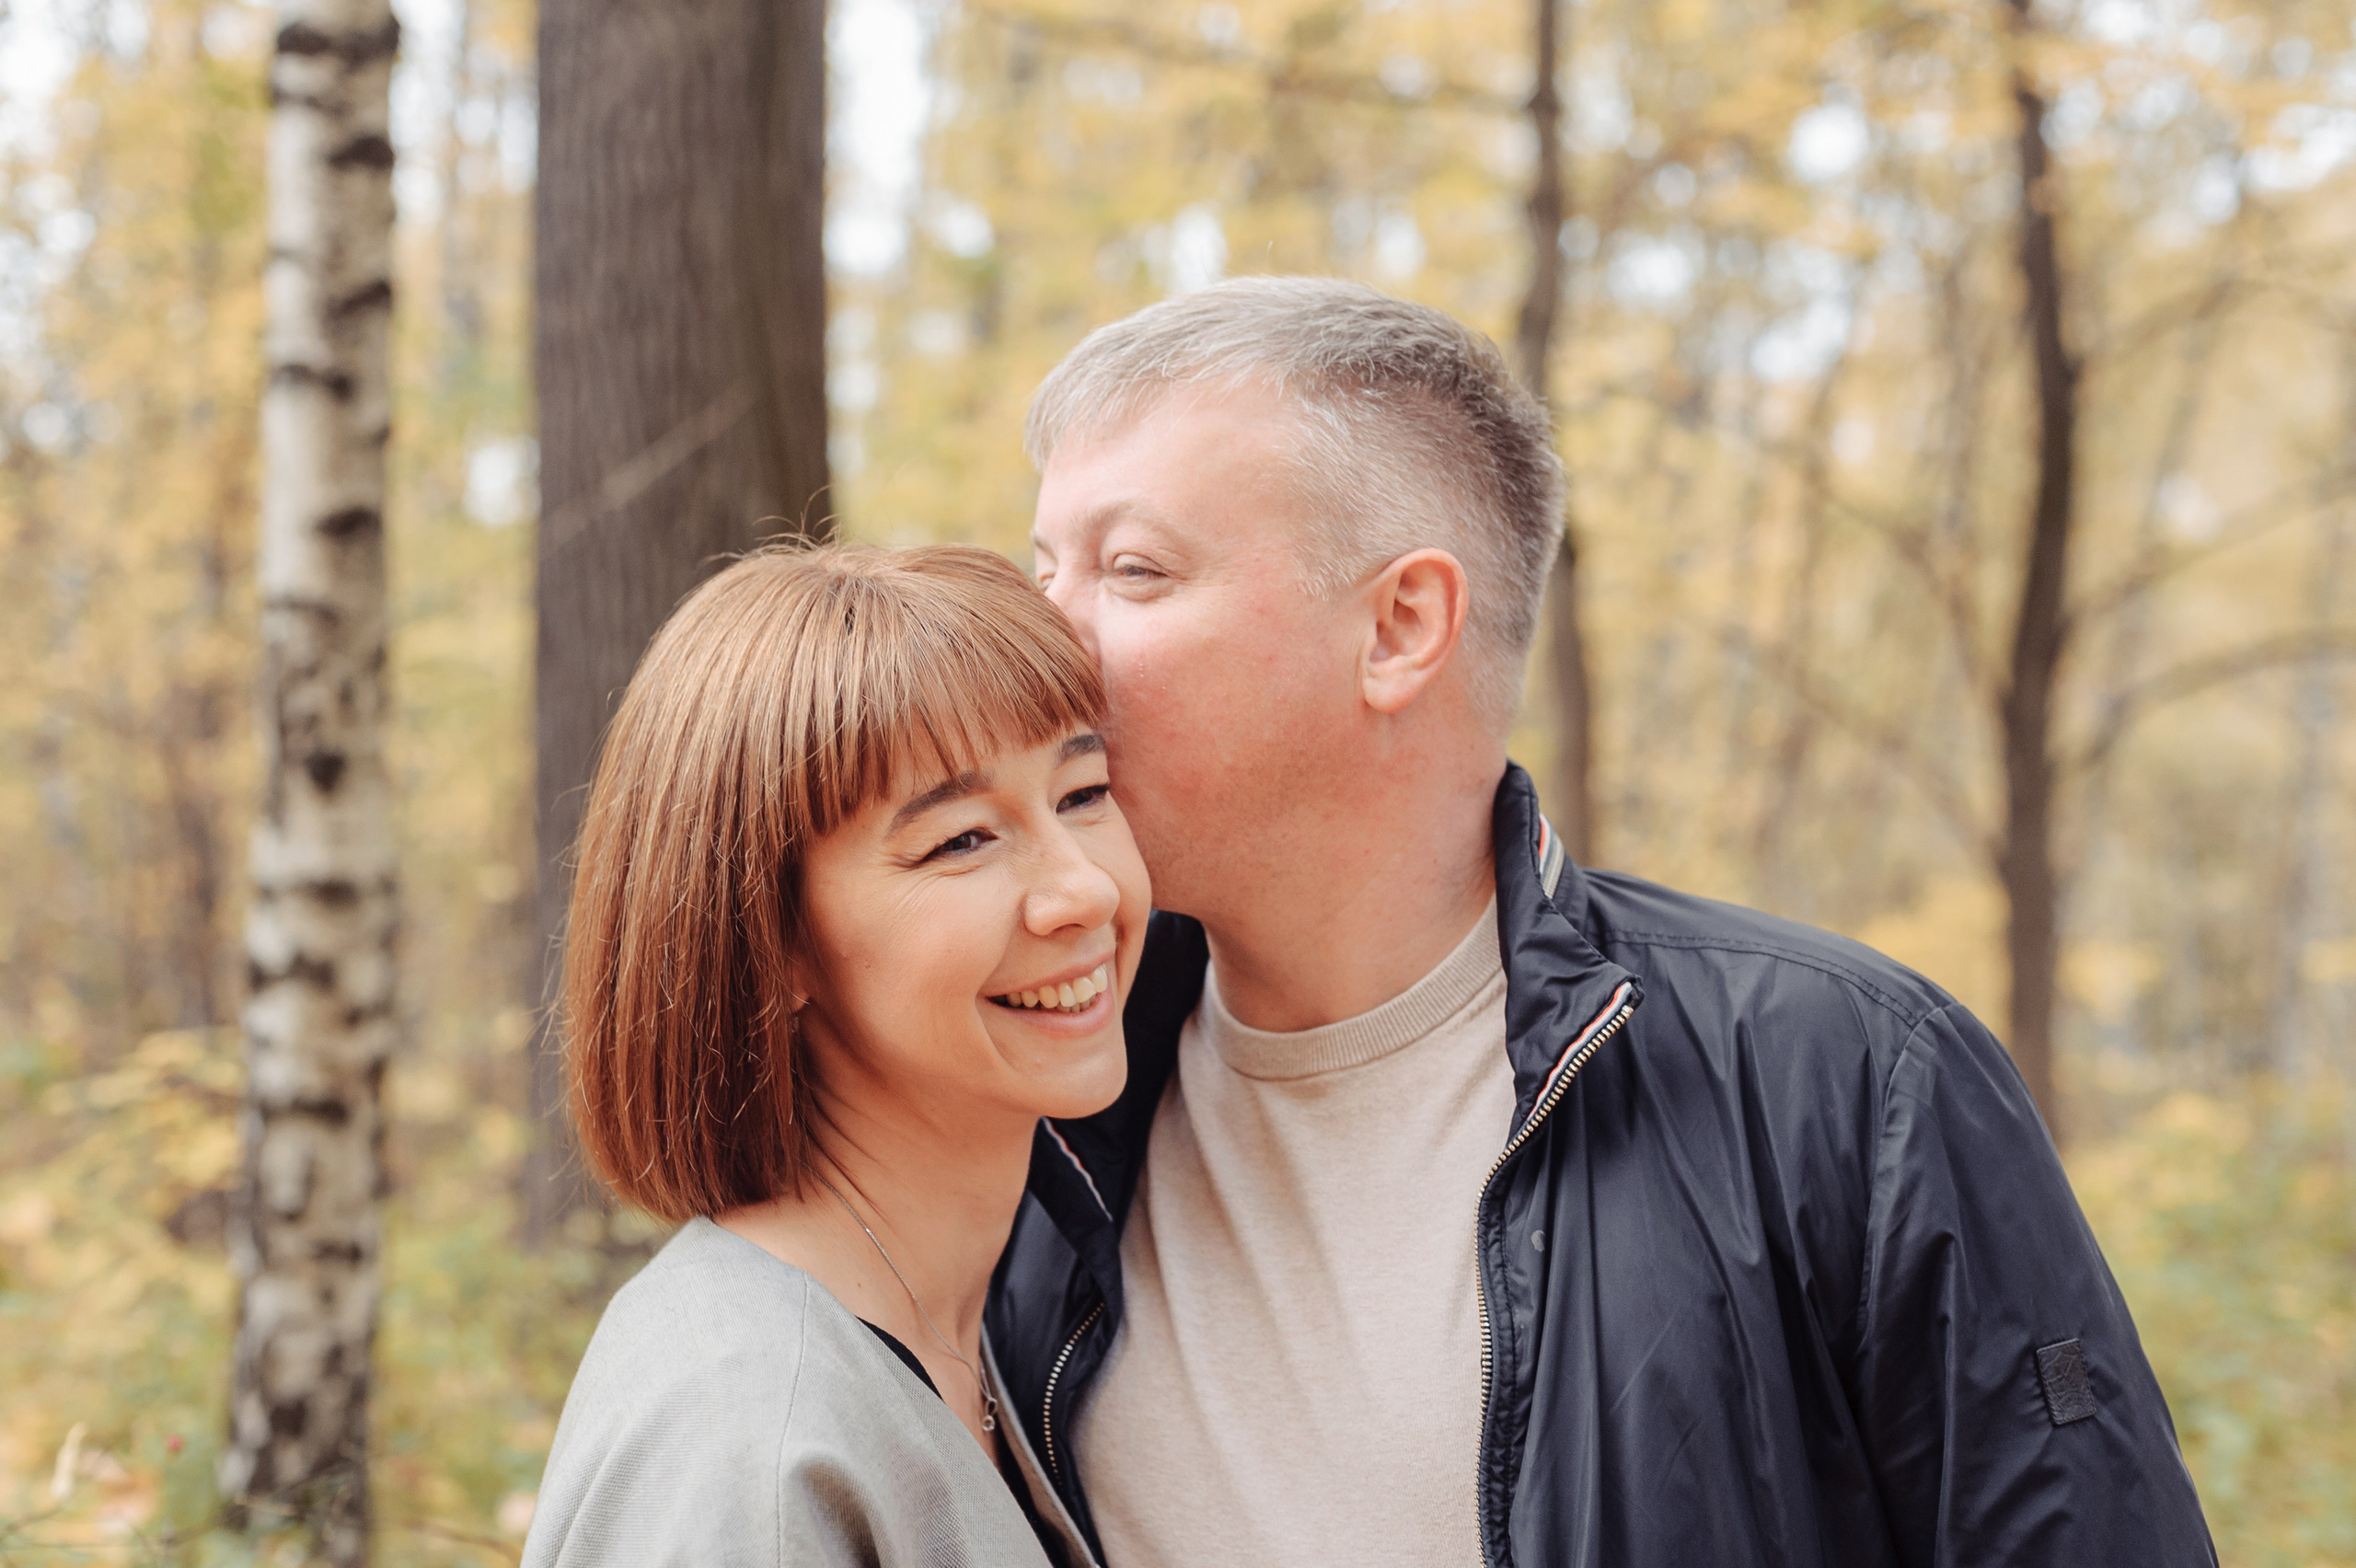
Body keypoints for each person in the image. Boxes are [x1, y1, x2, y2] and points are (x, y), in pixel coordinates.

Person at [987, 276, 2216, 1568]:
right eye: (1042, 568)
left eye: (1132, 571)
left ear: (1402, 627)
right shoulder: (1017, 1095)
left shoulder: (1849, 1081)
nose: (1042, 641)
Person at [523, 544, 1146, 1568]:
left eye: (1084, 792)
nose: (1085, 889)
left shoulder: (969, 1334)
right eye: (962, 841)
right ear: (771, 941)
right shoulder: (747, 1439)